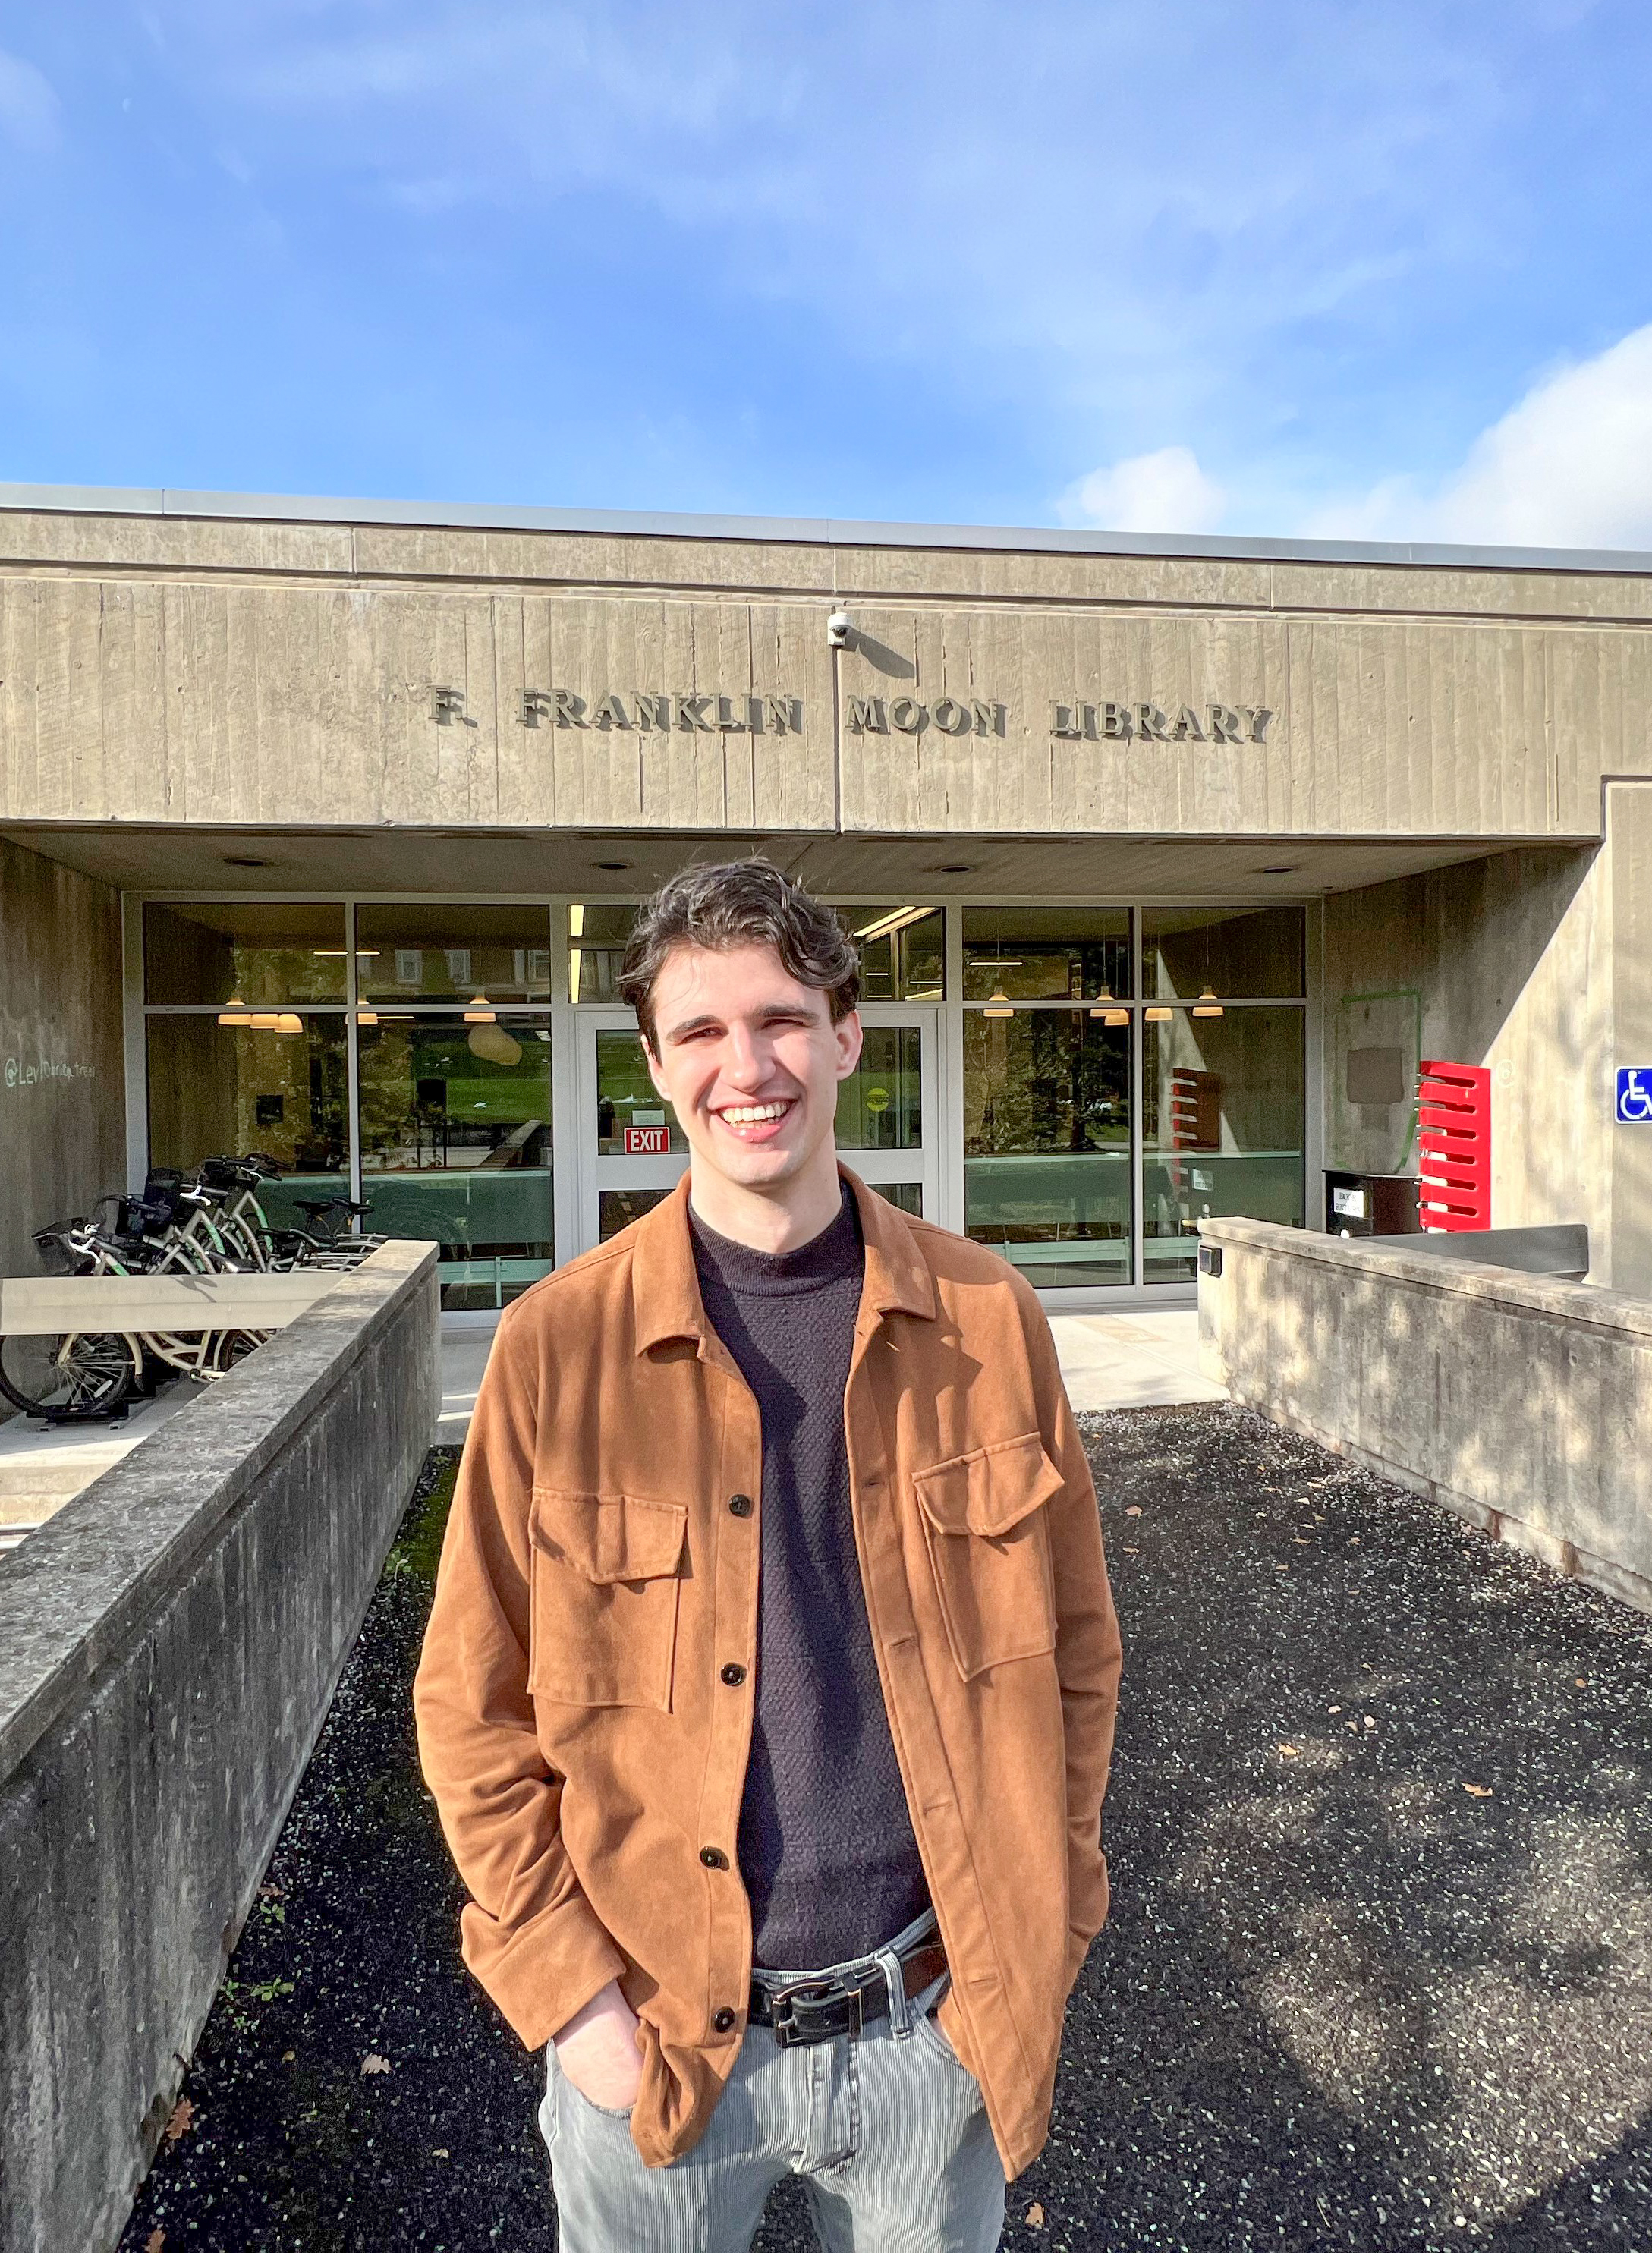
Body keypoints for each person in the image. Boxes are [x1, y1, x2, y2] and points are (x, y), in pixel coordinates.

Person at [415, 859, 1122, 2251]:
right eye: (701, 1032)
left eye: (783, 1021)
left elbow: (1079, 1654)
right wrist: (575, 2005)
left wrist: (1054, 1914)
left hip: (936, 2034)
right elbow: (470, 1705)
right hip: (656, 2052)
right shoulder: (558, 1351)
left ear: (847, 1034)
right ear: (657, 1064)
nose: (749, 1067)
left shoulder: (989, 1320)